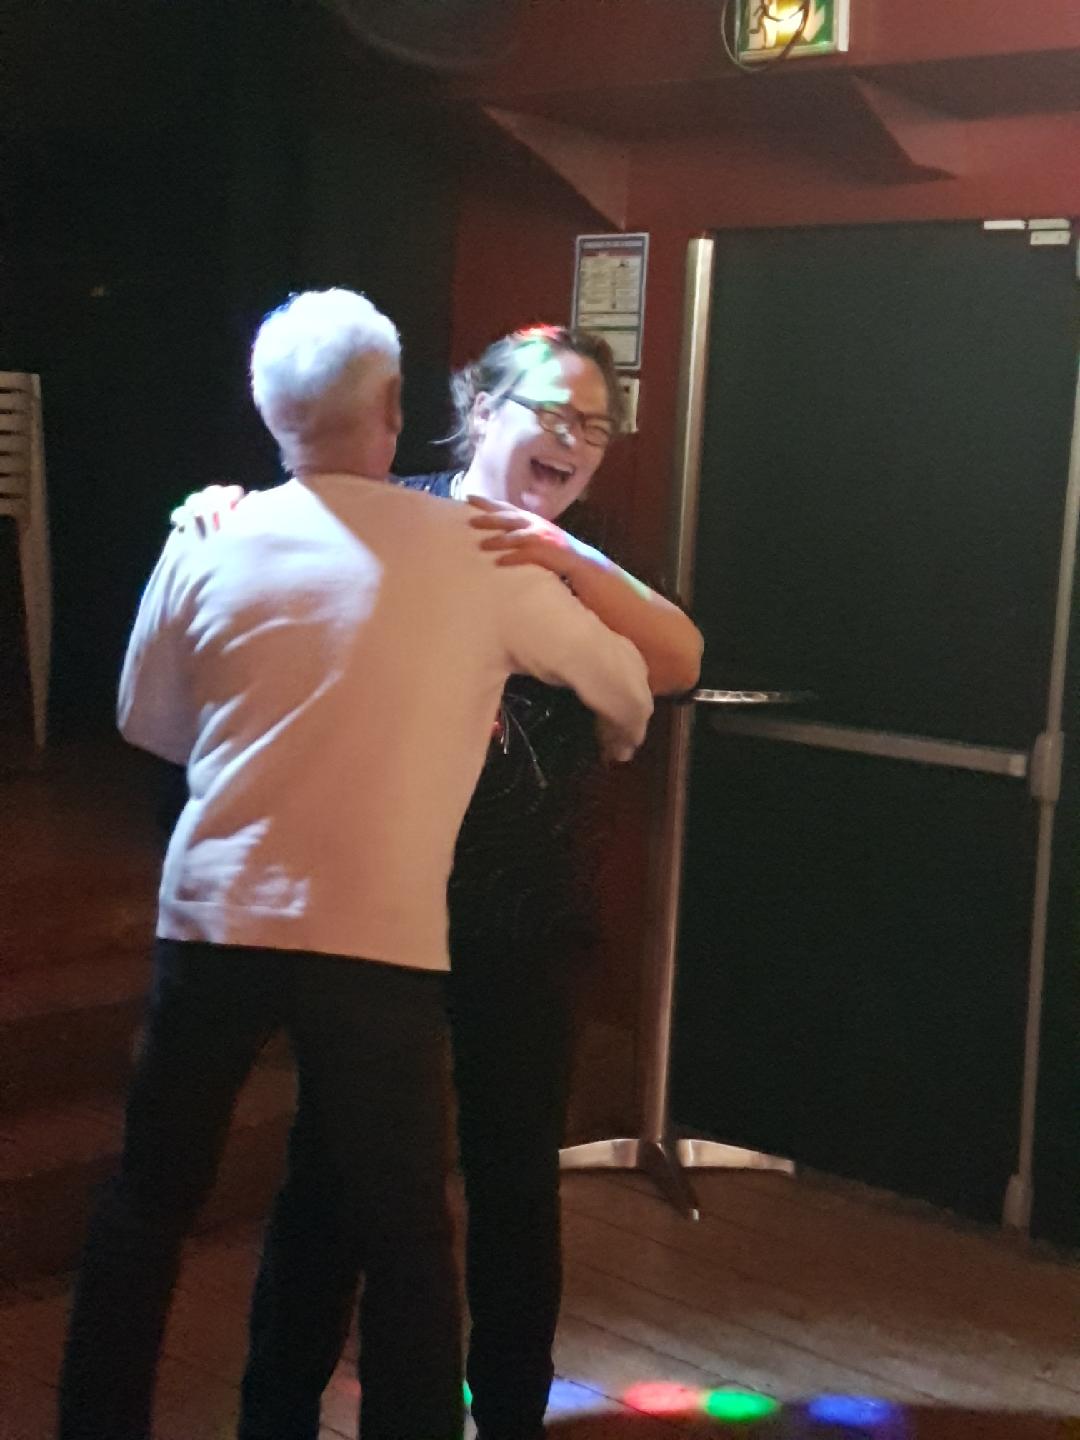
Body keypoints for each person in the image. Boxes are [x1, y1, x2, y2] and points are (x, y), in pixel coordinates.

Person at [57, 295, 654, 1440]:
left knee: (146, 1205)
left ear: (269, 414)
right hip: (375, 941)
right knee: (406, 1238)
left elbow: (147, 721)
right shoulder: (472, 553)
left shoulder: (209, 536)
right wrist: (608, 733)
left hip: (212, 918)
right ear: (391, 408)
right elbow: (624, 682)